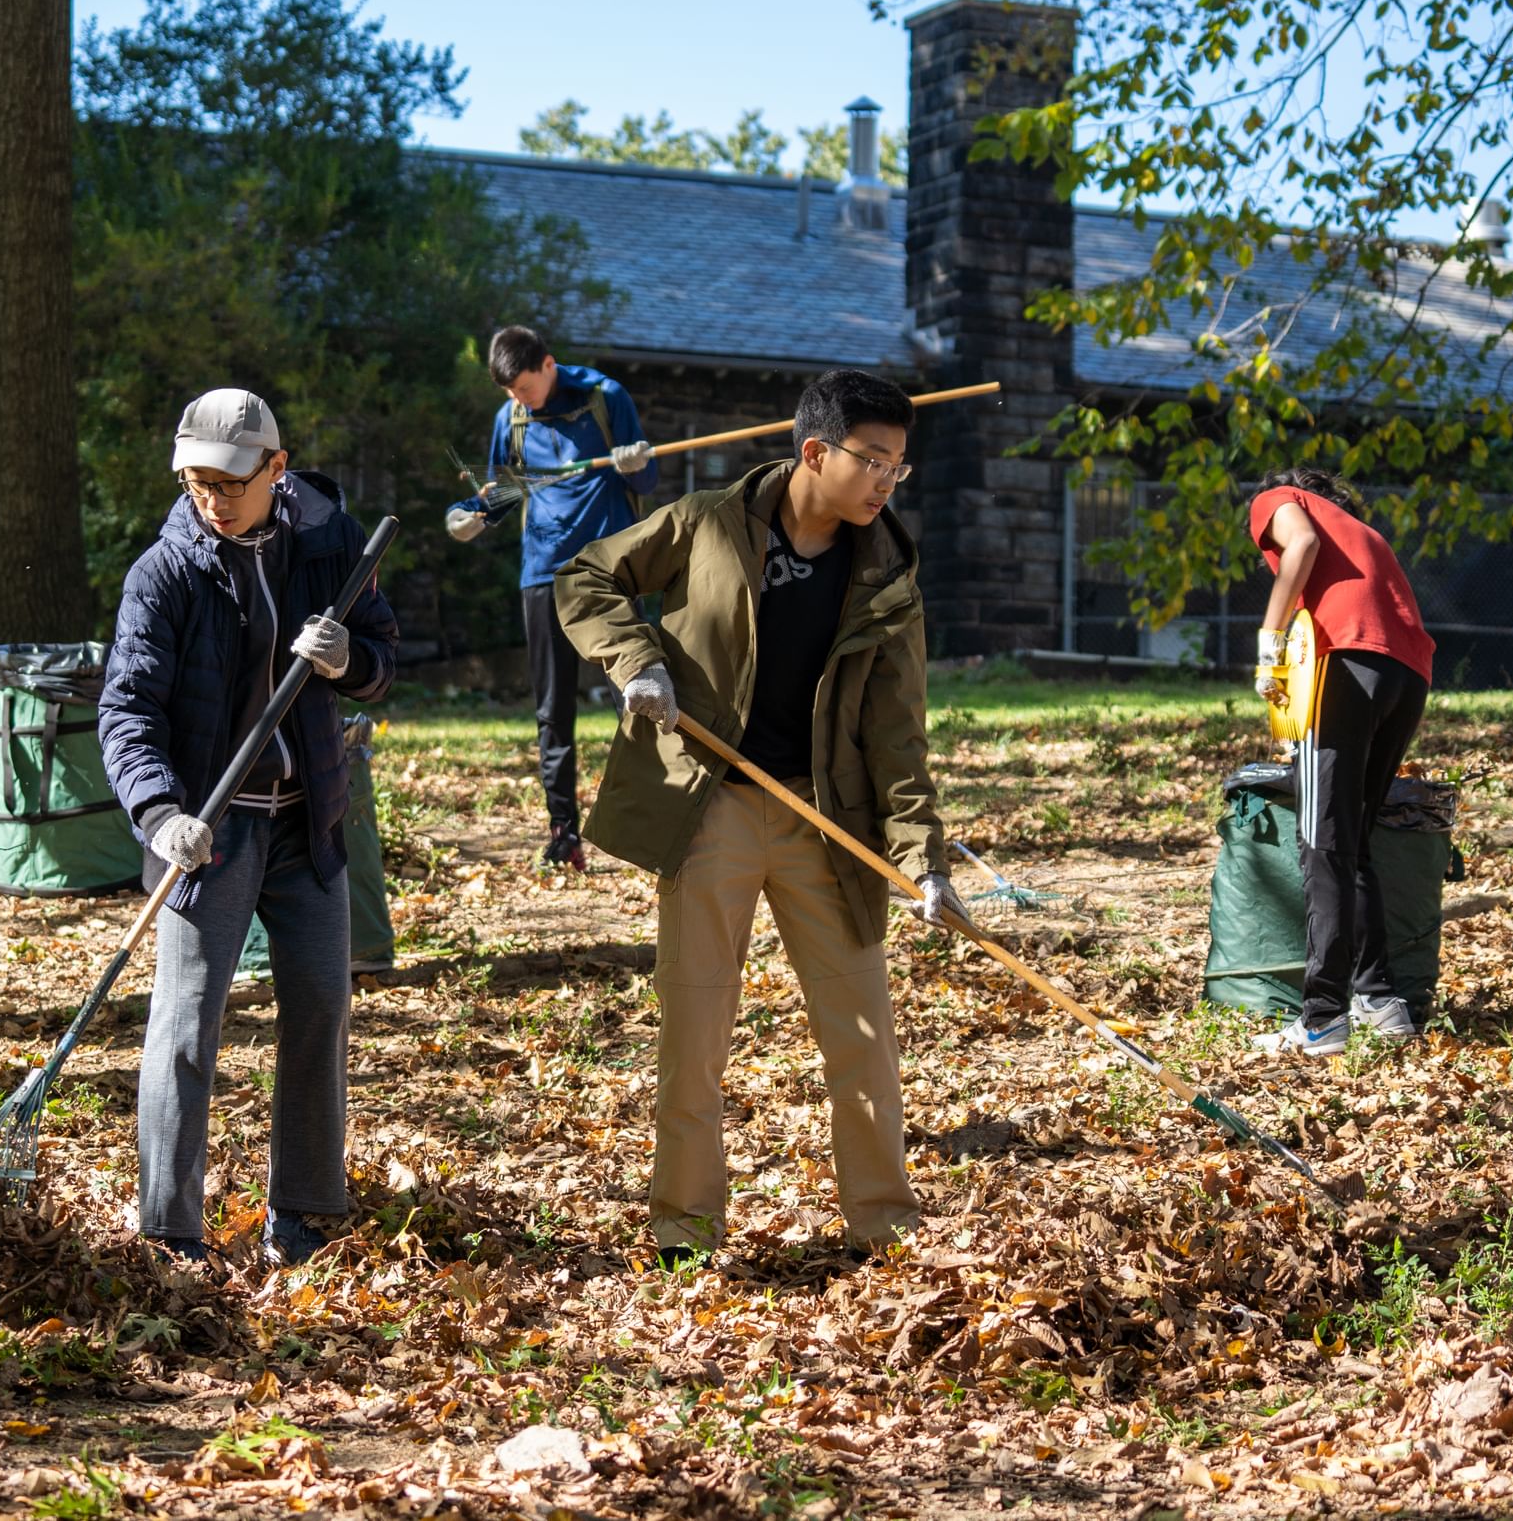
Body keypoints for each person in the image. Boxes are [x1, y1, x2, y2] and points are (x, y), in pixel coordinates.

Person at [557, 368, 958, 1262]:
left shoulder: (888, 573)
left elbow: (899, 737)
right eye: (875, 461)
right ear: (815, 450)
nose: (889, 481)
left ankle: (885, 1231)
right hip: (711, 809)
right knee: (696, 1033)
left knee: (863, 1035)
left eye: (901, 466)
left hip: (827, 822)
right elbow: (586, 579)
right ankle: (683, 1233)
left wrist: (922, 858)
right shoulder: (705, 524)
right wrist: (637, 663)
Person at [99, 387, 400, 1269]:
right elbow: (127, 712)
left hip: (310, 824)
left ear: (277, 467)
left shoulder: (331, 543)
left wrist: (352, 663)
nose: (212, 500)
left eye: (230, 482)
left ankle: (301, 1213)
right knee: (187, 1022)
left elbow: (382, 658)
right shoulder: (166, 572)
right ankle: (170, 1227)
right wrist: (160, 814)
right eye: (196, 483)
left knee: (320, 1008)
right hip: (212, 828)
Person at [446, 325, 657, 871]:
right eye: (509, 391)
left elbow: (648, 480)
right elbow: (501, 494)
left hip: (608, 570)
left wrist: (636, 462)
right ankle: (564, 831)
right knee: (552, 709)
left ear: (547, 364)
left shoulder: (604, 398)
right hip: (541, 573)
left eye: (523, 386)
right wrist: (469, 516)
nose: (519, 398)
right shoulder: (510, 419)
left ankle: (655, 823)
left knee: (633, 696)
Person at [1247, 468, 1434, 1057]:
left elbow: (1299, 544)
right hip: (1408, 675)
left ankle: (1323, 1016)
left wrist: (1269, 639)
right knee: (1351, 842)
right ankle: (1380, 1001)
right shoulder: (1364, 531)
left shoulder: (1278, 500)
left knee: (1321, 842)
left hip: (1346, 662)